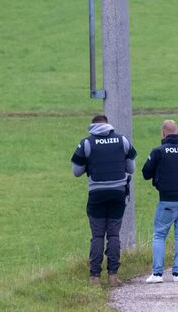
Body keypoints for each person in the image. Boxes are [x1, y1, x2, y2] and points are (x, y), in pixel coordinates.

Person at [71, 115, 137, 287]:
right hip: (118, 194)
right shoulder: (122, 140)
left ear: (92, 126)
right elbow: (131, 168)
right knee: (114, 234)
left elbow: (76, 172)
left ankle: (95, 278)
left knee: (98, 235)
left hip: (97, 195)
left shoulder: (86, 143)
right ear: (108, 125)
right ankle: (113, 276)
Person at [142, 120, 178, 283]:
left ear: (163, 133)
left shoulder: (159, 151)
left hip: (167, 200)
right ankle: (177, 273)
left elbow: (146, 172)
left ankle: (158, 273)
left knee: (160, 235)